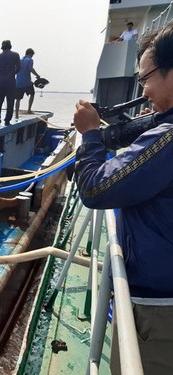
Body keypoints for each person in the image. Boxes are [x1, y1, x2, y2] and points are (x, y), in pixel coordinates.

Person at [73, 23, 173, 374]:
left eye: (144, 78)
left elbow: (94, 189)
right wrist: (102, 130)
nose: (143, 92)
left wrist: (88, 135)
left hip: (159, 308)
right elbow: (140, 129)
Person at [0, 40, 21, 126]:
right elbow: (19, 68)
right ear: (10, 46)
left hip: (1, 81)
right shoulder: (15, 55)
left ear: (2, 47)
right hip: (11, 82)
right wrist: (12, 73)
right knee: (10, 102)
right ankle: (7, 120)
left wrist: (2, 73)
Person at [15, 48, 41, 119]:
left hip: (18, 83)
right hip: (27, 83)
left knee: (18, 99)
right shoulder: (30, 60)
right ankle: (29, 110)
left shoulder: (19, 60)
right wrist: (37, 75)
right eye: (32, 55)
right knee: (32, 94)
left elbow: (15, 70)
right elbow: (30, 68)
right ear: (30, 54)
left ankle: (16, 114)